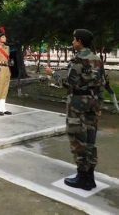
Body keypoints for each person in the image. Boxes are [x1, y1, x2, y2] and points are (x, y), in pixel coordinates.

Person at [46, 29, 104, 191]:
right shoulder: (97, 59)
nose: (72, 43)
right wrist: (99, 105)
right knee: (90, 141)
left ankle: (82, 177)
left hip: (77, 104)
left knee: (78, 139)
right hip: (92, 103)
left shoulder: (78, 60)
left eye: (74, 40)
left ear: (79, 41)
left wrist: (53, 74)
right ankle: (90, 177)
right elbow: (101, 84)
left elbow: (69, 83)